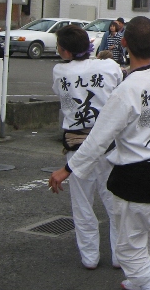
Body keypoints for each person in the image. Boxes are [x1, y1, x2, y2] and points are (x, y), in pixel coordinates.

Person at [49, 16, 150, 290]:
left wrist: (67, 169)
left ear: (123, 42)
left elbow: (97, 140)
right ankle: (146, 280)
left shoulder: (126, 91)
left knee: (128, 247)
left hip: (137, 174)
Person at [51, 24, 123, 270]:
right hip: (107, 144)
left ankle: (90, 257)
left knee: (82, 205)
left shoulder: (60, 71)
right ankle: (119, 256)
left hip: (77, 147)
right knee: (113, 202)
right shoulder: (109, 66)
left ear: (65, 51)